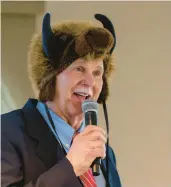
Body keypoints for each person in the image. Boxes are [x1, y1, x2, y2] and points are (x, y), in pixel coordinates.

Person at [1, 13, 122, 187]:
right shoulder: (7, 131)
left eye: (97, 73)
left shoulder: (103, 152)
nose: (89, 82)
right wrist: (71, 166)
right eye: (79, 68)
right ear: (50, 78)